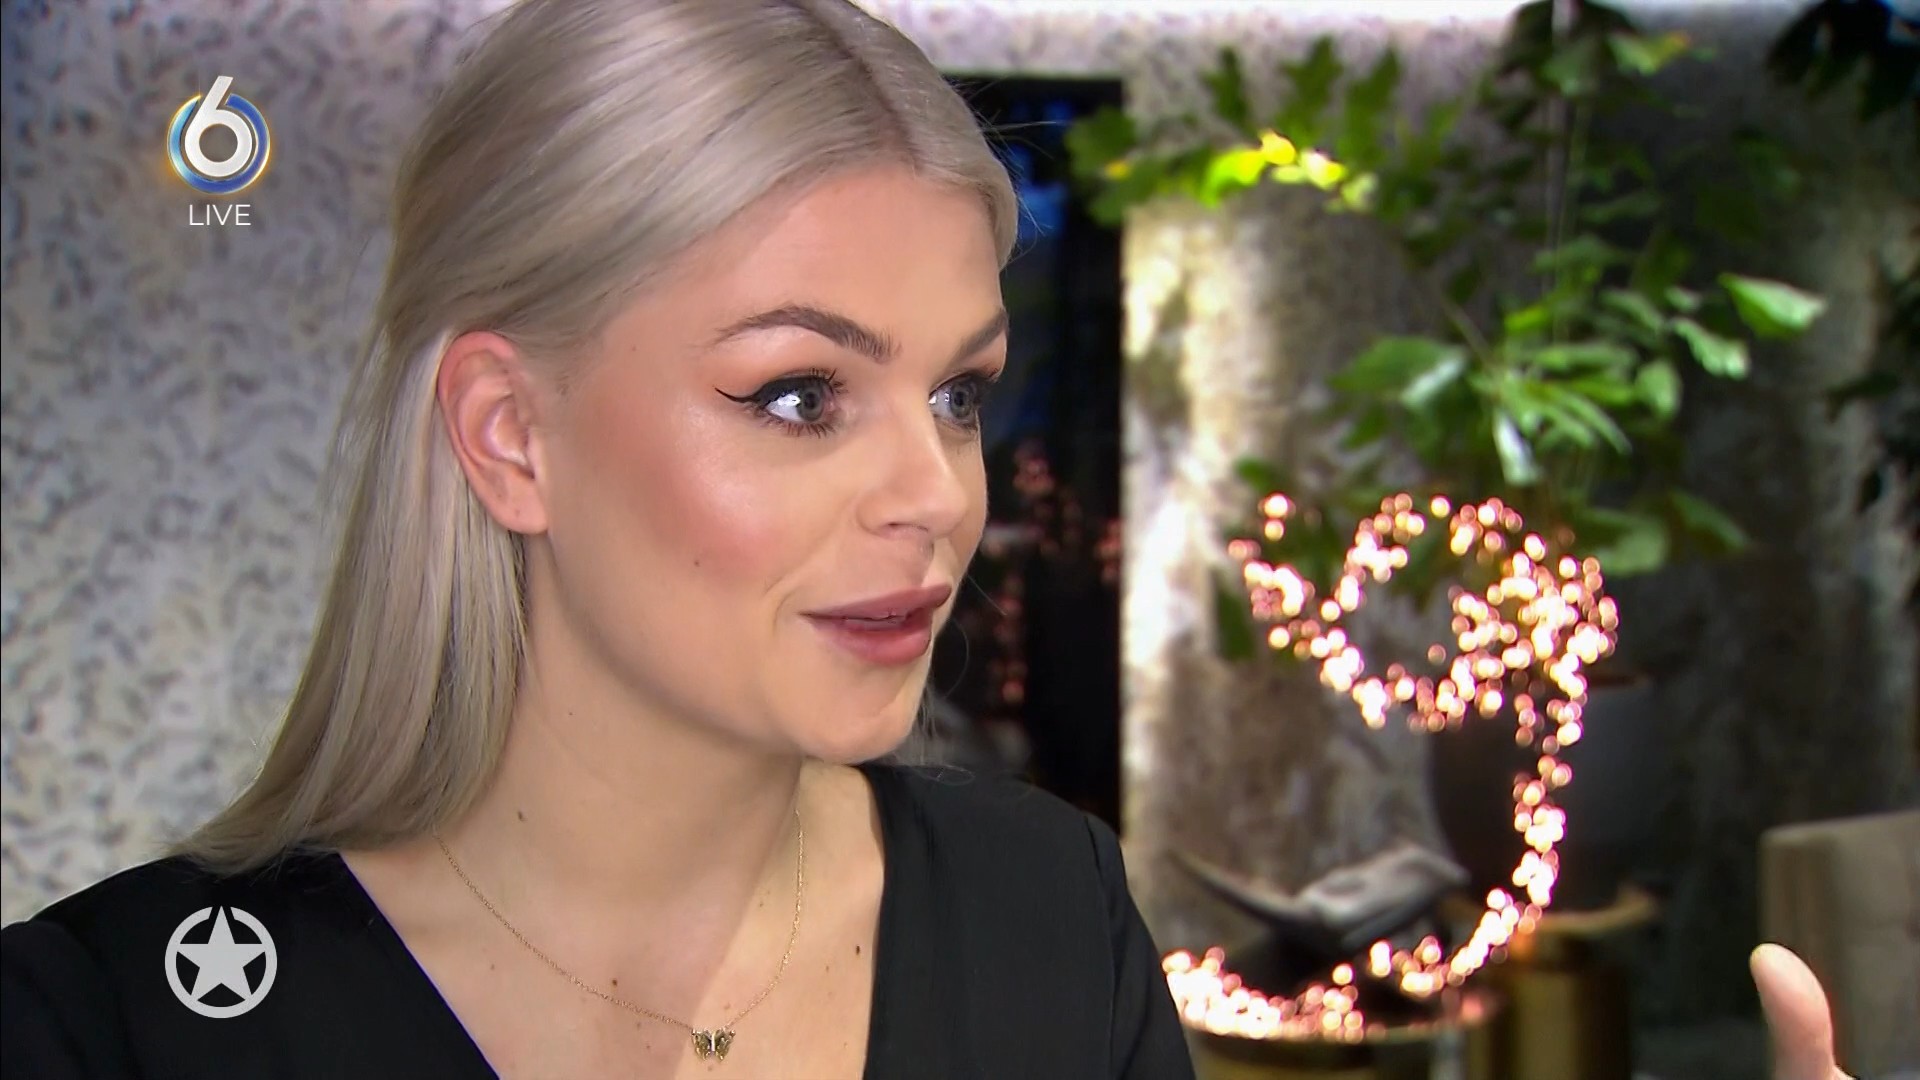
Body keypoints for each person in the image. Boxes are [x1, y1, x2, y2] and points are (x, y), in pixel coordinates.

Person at [0, 1, 1862, 1078]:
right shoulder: (118, 1025)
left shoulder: (1051, 917)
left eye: (961, 392)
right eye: (800, 393)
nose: (940, 496)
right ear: (511, 437)